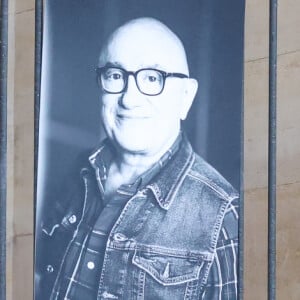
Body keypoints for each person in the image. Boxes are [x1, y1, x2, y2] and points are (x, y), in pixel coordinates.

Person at [35, 17, 239, 300]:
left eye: (153, 78)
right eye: (116, 76)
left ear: (186, 97)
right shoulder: (79, 172)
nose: (129, 99)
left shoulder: (222, 217)